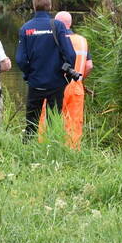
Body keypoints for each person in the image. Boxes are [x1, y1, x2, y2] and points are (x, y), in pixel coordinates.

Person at [16, 0, 76, 138]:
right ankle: (52, 151)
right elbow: (70, 54)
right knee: (53, 122)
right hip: (56, 83)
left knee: (31, 123)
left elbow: (20, 59)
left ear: (34, 7)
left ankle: (28, 150)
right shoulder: (58, 25)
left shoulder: (26, 28)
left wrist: (29, 74)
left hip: (35, 83)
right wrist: (66, 73)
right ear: (50, 6)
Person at [50, 11, 92, 148]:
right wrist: (80, 79)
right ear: (70, 23)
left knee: (51, 119)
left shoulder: (52, 40)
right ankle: (72, 152)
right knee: (74, 122)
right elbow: (89, 65)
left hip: (55, 85)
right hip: (76, 85)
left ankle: (49, 148)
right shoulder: (82, 40)